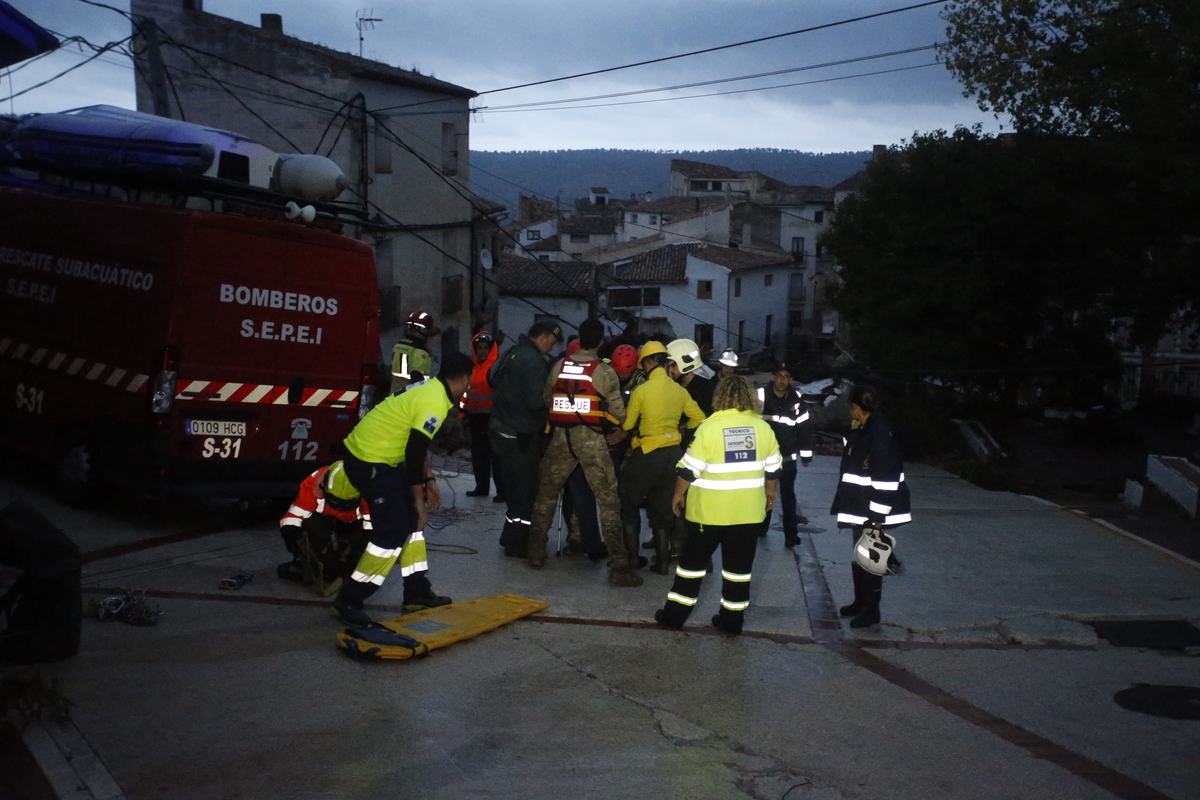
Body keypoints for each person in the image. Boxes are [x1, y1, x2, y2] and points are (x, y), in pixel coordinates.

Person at [330, 353, 475, 627]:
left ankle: (416, 592)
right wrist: (419, 499)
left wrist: (429, 481)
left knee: (413, 522)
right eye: (470, 381)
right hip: (369, 459)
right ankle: (349, 599)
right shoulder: (435, 401)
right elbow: (415, 449)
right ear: (465, 378)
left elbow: (415, 440)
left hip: (385, 457)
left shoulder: (433, 389)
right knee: (392, 532)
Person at [654, 376, 782, 634]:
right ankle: (732, 621)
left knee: (691, 568)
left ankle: (674, 617)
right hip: (747, 515)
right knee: (738, 571)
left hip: (708, 515)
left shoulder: (708, 429)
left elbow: (689, 471)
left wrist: (678, 496)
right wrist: (770, 494)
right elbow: (774, 468)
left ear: (720, 397)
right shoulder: (763, 429)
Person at [527, 318, 641, 586]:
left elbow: (547, 399)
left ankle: (535, 553)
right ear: (601, 342)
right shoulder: (603, 371)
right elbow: (620, 413)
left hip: (560, 439)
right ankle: (619, 568)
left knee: (546, 496)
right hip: (590, 440)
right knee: (608, 501)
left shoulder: (559, 365)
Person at [829, 384, 911, 629]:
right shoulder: (867, 427)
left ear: (856, 407)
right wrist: (852, 430)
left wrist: (877, 516)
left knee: (872, 557)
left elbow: (886, 477)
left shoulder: (878, 431)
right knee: (860, 553)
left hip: (872, 507)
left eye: (850, 407)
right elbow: (853, 453)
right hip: (859, 504)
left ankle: (871, 609)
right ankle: (861, 602)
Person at [619, 341, 706, 574]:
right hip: (673, 455)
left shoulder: (641, 391)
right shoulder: (679, 391)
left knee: (628, 502)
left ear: (647, 363)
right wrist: (680, 427)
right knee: (662, 509)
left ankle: (632, 560)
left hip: (647, 453)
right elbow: (700, 418)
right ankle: (663, 563)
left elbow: (627, 424)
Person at [488, 320, 561, 557]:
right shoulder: (533, 361)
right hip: (520, 435)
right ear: (542, 338)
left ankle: (509, 536)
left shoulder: (513, 351)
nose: (551, 347)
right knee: (526, 492)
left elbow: (492, 378)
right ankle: (518, 543)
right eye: (550, 342)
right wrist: (555, 405)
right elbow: (535, 401)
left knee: (512, 490)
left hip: (499, 430)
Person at [278, 461, 373, 597]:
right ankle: (319, 564)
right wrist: (292, 536)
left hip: (354, 523)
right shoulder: (313, 484)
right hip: (324, 519)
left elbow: (372, 527)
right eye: (335, 501)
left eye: (346, 504)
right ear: (324, 487)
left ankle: (348, 562)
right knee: (311, 527)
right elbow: (293, 516)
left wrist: (362, 550)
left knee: (362, 544)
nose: (340, 507)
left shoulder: (370, 489)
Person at [756, 363, 814, 547]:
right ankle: (761, 527)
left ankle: (791, 535)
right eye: (779, 376)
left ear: (790, 379)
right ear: (772, 377)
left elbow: (804, 428)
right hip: (763, 457)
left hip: (787, 457)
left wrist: (806, 455)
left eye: (786, 377)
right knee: (763, 493)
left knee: (788, 496)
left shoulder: (797, 399)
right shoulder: (760, 396)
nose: (782, 380)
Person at [464, 330, 499, 498]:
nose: (483, 351)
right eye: (480, 348)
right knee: (479, 456)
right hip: (475, 418)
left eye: (486, 348)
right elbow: (465, 393)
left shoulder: (495, 366)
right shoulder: (471, 367)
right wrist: (463, 415)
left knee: (496, 456)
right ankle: (481, 488)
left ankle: (502, 491)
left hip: (492, 418)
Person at [390, 310, 439, 393]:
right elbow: (417, 378)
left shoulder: (399, 346)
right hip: (410, 397)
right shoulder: (419, 351)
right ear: (422, 330)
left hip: (395, 394)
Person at [667, 338, 717, 417]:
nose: (670, 370)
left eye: (673, 365)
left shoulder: (705, 390)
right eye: (668, 366)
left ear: (686, 365)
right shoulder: (676, 385)